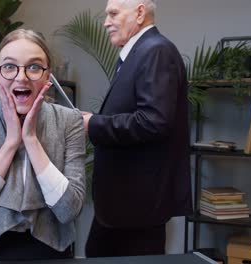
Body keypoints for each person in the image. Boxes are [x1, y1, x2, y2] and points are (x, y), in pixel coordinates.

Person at [0, 28, 86, 261]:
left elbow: (69, 211)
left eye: (34, 67)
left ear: (48, 76)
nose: (21, 77)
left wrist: (31, 141)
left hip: (52, 253)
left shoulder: (69, 121)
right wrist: (11, 143)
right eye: (9, 66)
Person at [81, 0, 193, 257]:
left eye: (113, 14)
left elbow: (154, 121)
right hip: (123, 205)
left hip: (136, 206)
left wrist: (94, 124)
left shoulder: (155, 50)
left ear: (140, 13)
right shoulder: (140, 51)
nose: (106, 22)